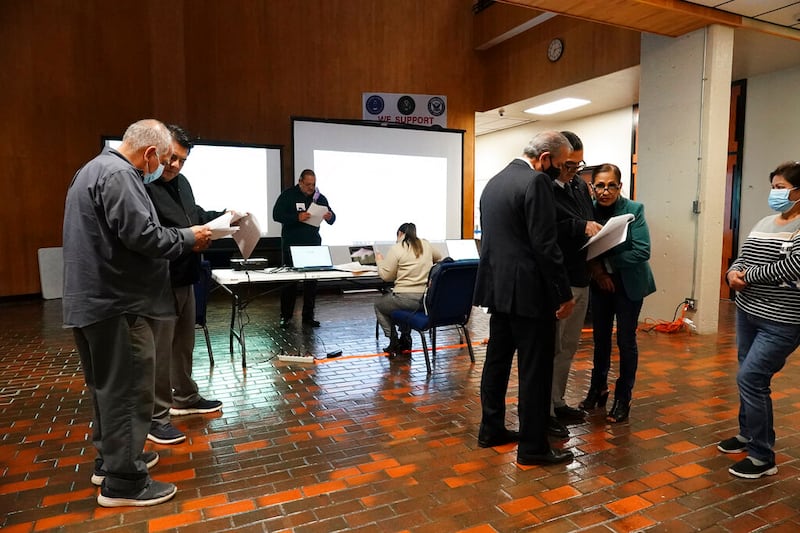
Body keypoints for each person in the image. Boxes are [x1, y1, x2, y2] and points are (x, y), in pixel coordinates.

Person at [62, 119, 212, 507]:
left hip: (93, 302)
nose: (163, 169)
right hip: (119, 304)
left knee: (107, 390)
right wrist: (188, 237)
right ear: (149, 154)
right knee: (130, 392)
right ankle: (125, 483)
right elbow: (143, 236)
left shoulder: (92, 170)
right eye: (163, 161)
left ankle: (112, 462)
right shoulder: (121, 175)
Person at [474, 131, 576, 466]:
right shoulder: (536, 182)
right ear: (544, 158)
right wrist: (563, 293)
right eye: (559, 165)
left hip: (498, 291)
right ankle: (533, 448)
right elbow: (545, 246)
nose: (560, 173)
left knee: (497, 363)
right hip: (531, 295)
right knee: (535, 370)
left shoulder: (495, 182)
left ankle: (491, 429)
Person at [144, 125, 226, 446]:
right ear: (157, 151)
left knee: (183, 344)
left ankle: (186, 397)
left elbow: (192, 216)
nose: (175, 165)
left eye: (182, 160)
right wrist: (190, 236)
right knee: (159, 350)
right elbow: (151, 234)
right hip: (158, 280)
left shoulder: (182, 182)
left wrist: (224, 217)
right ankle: (156, 417)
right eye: (171, 158)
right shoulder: (143, 186)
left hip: (186, 275)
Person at [719, 161, 800, 479]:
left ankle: (763, 455)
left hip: (782, 320)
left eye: (780, 188)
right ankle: (747, 434)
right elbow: (745, 254)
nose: (774, 193)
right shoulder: (766, 221)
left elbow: (793, 265)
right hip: (748, 313)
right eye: (774, 187)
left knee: (752, 378)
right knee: (746, 373)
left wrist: (747, 277)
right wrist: (731, 273)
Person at [580, 163, 655, 424]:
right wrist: (599, 274)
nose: (605, 191)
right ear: (592, 186)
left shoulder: (634, 210)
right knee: (600, 341)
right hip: (600, 285)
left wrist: (608, 264)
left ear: (620, 186)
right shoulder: (587, 209)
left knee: (625, 341)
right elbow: (582, 249)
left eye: (611, 185)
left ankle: (624, 397)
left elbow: (642, 251)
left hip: (629, 285)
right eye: (600, 185)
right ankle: (597, 388)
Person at [548, 131, 603, 439]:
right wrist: (579, 227)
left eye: (578, 165)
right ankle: (545, 409)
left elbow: (587, 219)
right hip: (557, 282)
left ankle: (558, 400)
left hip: (581, 276)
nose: (572, 172)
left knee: (569, 347)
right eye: (568, 165)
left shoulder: (580, 186)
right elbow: (544, 232)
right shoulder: (543, 188)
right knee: (551, 347)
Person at [272, 169, 336, 328]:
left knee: (311, 284)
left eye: (313, 184)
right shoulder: (288, 195)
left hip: (313, 246)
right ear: (300, 182)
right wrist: (296, 217)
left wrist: (329, 216)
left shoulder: (319, 198)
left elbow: (333, 219)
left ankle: (308, 316)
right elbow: (276, 215)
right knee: (289, 283)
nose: (311, 188)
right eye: (308, 184)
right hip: (292, 246)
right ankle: (286, 317)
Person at [375, 222, 443, 357]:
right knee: (401, 307)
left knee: (379, 305)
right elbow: (439, 257)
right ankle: (405, 337)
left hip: (405, 297)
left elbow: (386, 276)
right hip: (425, 299)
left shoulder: (397, 248)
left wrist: (379, 261)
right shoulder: (426, 244)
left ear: (400, 234)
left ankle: (393, 340)